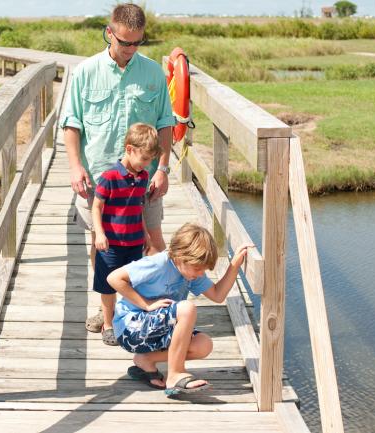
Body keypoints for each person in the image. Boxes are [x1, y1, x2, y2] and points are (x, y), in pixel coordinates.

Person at [59, 2, 176, 334]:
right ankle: (106, 308)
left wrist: (163, 169)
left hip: (145, 179)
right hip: (99, 177)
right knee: (101, 244)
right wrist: (75, 166)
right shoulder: (85, 72)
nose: (131, 49)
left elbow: (166, 123)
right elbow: (72, 124)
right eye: (125, 42)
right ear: (109, 32)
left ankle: (156, 305)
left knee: (152, 242)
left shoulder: (153, 73)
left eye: (138, 42)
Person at [106, 223, 252, 394]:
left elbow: (218, 295)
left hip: (155, 328)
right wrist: (146, 304)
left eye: (203, 270)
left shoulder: (191, 272)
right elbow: (114, 278)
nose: (200, 274)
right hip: (130, 328)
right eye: (198, 269)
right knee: (187, 309)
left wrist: (234, 266)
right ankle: (175, 374)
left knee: (203, 345)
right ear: (180, 257)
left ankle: (146, 360)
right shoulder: (159, 263)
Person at [92, 123, 161, 346]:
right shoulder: (109, 176)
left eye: (150, 160)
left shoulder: (143, 177)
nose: (146, 164)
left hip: (134, 241)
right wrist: (99, 234)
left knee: (133, 282)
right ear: (129, 149)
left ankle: (128, 319)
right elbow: (96, 207)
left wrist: (146, 234)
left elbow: (138, 207)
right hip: (111, 244)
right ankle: (108, 324)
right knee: (107, 285)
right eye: (144, 159)